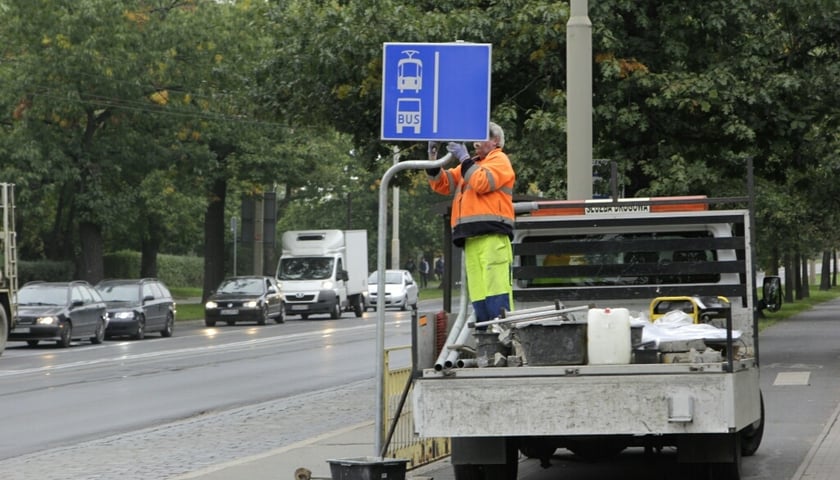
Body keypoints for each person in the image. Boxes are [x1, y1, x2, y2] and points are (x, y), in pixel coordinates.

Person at [426, 122, 515, 324]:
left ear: (495, 141)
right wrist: (433, 156)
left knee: (497, 292)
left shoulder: (500, 160)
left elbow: (482, 183)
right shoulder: (472, 165)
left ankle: (504, 336)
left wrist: (464, 158)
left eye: (481, 136)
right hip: (471, 239)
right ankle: (487, 340)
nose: (475, 142)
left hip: (493, 237)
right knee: (480, 296)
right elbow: (442, 183)